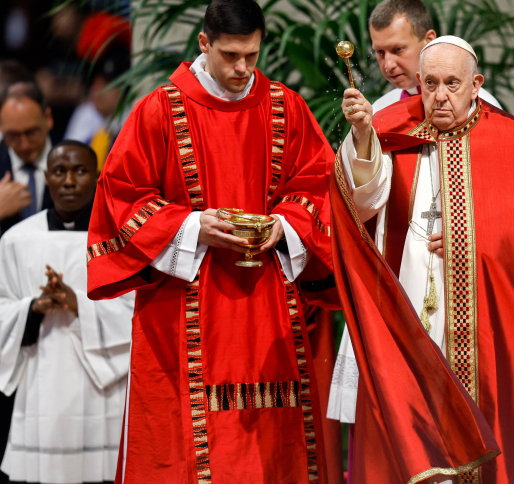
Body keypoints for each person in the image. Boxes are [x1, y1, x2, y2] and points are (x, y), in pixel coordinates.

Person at [331, 35, 514, 483]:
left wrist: (473, 241)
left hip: (488, 319)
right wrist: (362, 138)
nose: (439, 96)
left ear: (476, 84)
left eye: (452, 84)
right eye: (430, 83)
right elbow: (361, 201)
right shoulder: (389, 128)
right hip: (409, 304)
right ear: (418, 82)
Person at [86, 1, 336, 482]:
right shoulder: (160, 109)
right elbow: (120, 197)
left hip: (270, 309)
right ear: (204, 43)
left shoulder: (286, 106)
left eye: (252, 55)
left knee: (273, 445)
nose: (243, 69)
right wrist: (191, 226)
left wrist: (283, 226)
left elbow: (319, 187)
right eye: (230, 56)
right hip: (183, 306)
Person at [0, 140, 132, 484]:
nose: (69, 181)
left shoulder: (120, 240)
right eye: (60, 172)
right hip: (40, 381)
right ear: (47, 178)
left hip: (103, 388)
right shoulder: (16, 240)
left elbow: (139, 315)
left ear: (98, 177)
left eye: (80, 171)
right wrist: (31, 308)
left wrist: (79, 305)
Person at [365, 0, 500, 113]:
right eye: (380, 52)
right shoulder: (379, 111)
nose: (388, 65)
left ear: (428, 41)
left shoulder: (482, 108)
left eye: (398, 49)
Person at [0, 82, 55, 237]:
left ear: (48, 118)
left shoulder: (74, 163)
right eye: (13, 135)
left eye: (31, 132)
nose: (24, 145)